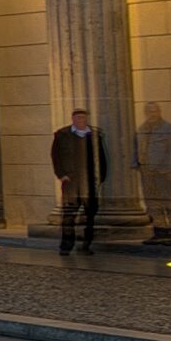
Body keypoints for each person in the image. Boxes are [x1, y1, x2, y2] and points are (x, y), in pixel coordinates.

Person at [50, 107, 106, 256]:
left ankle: (85, 246)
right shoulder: (62, 135)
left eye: (83, 118)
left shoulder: (94, 135)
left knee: (89, 217)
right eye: (78, 118)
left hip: (88, 183)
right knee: (69, 216)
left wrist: (99, 178)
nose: (81, 121)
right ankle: (66, 245)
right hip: (71, 183)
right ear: (73, 120)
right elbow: (56, 157)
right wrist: (61, 174)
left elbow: (101, 158)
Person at [136, 102, 171, 242]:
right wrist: (138, 165)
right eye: (149, 112)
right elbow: (138, 148)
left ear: (159, 112)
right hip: (147, 173)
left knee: (169, 204)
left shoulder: (170, 129)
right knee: (152, 205)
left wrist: (168, 169)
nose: (152, 114)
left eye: (154, 111)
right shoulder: (142, 129)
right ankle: (160, 232)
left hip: (164, 173)